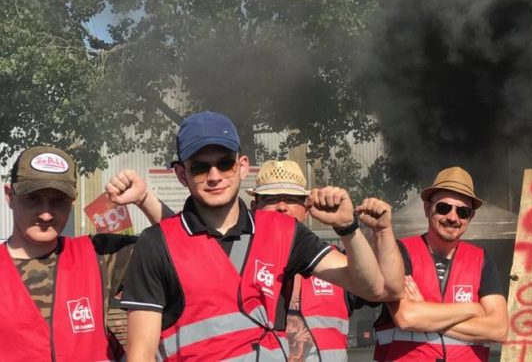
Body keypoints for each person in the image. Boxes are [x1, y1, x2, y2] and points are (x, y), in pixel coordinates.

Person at [121, 111, 401, 361]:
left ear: (242, 166)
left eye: (225, 163)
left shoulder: (283, 232)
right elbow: (140, 354)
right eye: (200, 167)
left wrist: (348, 228)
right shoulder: (155, 244)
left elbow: (372, 288)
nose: (215, 176)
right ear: (182, 174)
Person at [1, 145, 172, 361]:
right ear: (10, 195)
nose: (46, 214)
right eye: (33, 199)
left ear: (72, 202)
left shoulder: (99, 254)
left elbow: (181, 248)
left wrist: (144, 198)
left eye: (58, 201)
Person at [248, 159, 404, 362]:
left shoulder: (337, 263)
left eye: (292, 199)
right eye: (271, 199)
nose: (282, 207)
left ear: (306, 208)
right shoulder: (238, 262)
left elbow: (391, 290)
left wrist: (381, 231)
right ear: (254, 207)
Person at [373, 166, 509, 362]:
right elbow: (407, 317)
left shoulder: (482, 260)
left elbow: (499, 330)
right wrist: (472, 309)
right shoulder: (401, 252)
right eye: (444, 208)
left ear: (471, 217)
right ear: (427, 208)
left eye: (462, 212)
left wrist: (426, 313)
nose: (453, 217)